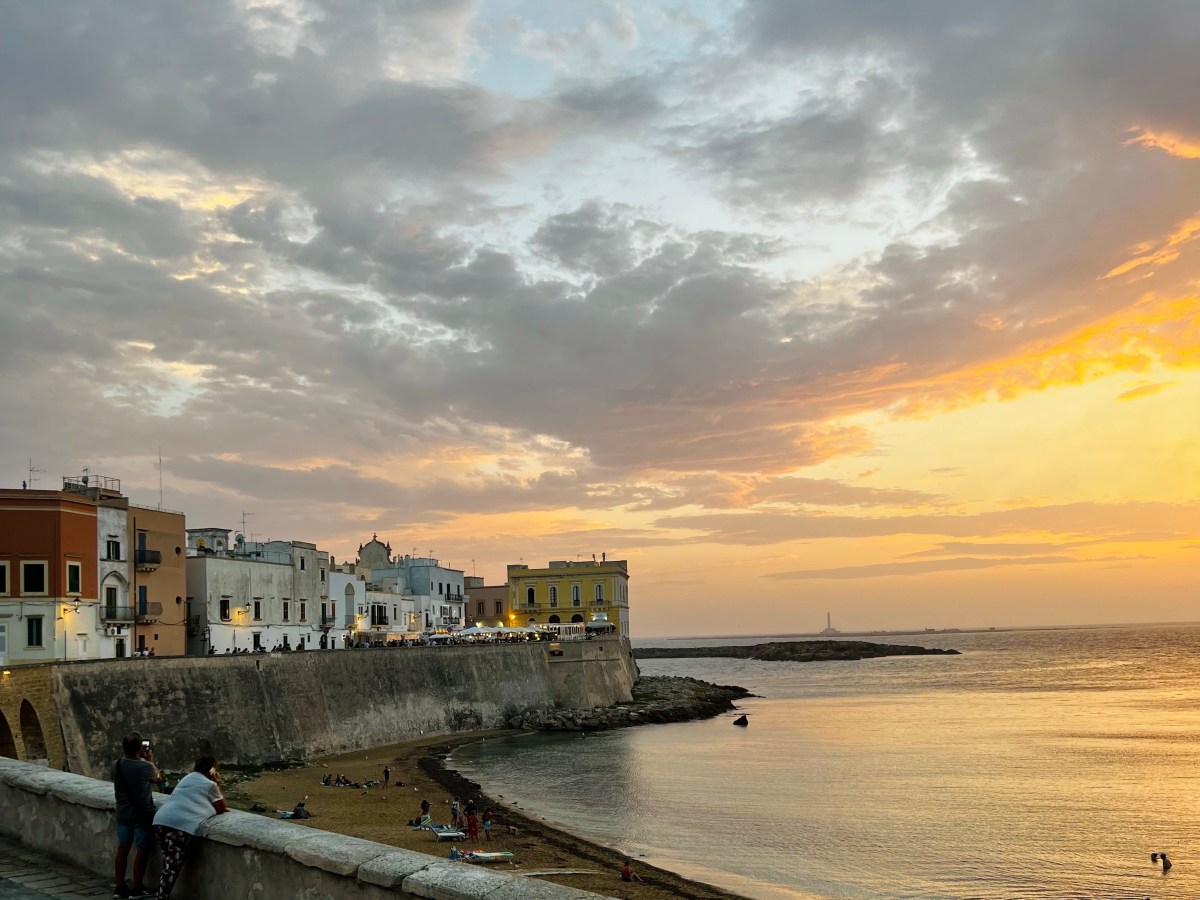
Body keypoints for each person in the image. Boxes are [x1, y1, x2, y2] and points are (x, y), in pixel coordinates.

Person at [151, 755, 227, 899]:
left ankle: (160, 894)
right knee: (172, 867)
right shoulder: (209, 784)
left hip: (160, 821)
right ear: (212, 770)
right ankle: (160, 897)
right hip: (179, 827)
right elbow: (221, 808)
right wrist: (217, 783)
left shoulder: (187, 778)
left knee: (169, 863)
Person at [113, 731, 162, 899]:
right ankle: (136, 889)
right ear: (140, 749)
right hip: (141, 816)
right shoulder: (145, 766)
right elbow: (160, 780)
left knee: (123, 848)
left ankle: (119, 888)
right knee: (141, 851)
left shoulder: (116, 764)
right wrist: (150, 762)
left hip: (123, 814)